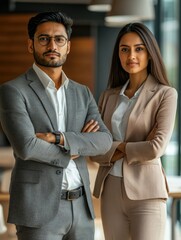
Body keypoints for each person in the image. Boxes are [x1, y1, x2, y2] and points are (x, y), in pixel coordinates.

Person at [0, 11, 112, 240]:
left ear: (68, 46)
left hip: (81, 208)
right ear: (31, 45)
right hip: (37, 210)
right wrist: (77, 146)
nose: (52, 45)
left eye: (59, 39)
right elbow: (27, 146)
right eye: (44, 39)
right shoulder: (13, 91)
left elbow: (104, 141)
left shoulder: (82, 93)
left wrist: (59, 139)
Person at [91, 22, 177, 240]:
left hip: (147, 193)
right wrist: (132, 147)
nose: (131, 55)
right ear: (118, 55)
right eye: (124, 49)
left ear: (150, 53)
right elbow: (94, 151)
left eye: (139, 48)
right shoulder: (107, 96)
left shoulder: (165, 94)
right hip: (110, 189)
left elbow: (155, 148)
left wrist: (113, 147)